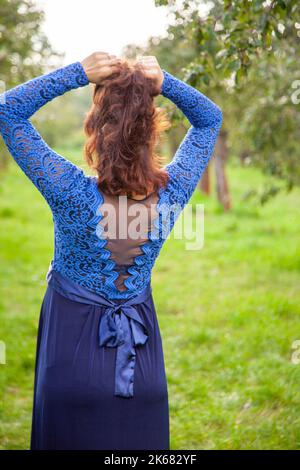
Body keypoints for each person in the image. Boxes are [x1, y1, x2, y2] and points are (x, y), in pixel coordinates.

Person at [0, 51, 223, 450]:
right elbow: (209, 119)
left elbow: (7, 111)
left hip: (69, 365)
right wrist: (164, 82)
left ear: (96, 128)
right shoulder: (173, 191)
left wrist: (77, 74)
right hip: (143, 372)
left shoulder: (68, 190)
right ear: (151, 129)